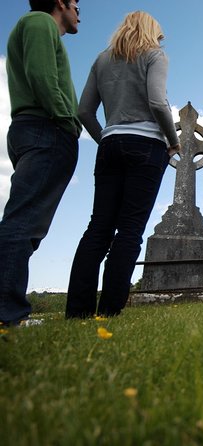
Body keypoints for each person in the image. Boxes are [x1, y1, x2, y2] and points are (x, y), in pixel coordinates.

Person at [65, 11, 180, 319]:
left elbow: (84, 111)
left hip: (110, 145)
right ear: (152, 32)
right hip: (147, 146)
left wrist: (106, 137)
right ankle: (109, 311)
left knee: (98, 229)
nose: (160, 41)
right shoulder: (156, 55)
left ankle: (77, 313)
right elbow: (157, 102)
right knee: (129, 229)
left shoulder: (102, 60)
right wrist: (173, 141)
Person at [0, 0, 82, 326]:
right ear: (60, 3)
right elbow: (41, 75)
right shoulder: (39, 22)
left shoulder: (37, 27)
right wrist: (67, 121)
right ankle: (7, 315)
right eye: (76, 3)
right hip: (45, 129)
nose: (79, 11)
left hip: (38, 130)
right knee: (21, 223)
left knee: (28, 226)